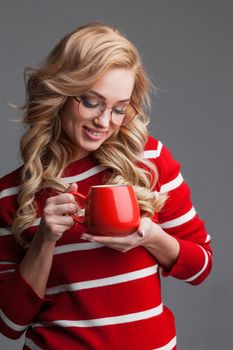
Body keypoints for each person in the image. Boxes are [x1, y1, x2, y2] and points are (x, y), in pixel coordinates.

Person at [0, 22, 212, 350]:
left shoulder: (149, 159)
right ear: (61, 93)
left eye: (119, 108)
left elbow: (201, 267)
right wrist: (44, 239)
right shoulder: (12, 193)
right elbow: (10, 324)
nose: (104, 122)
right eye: (91, 102)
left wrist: (151, 237)